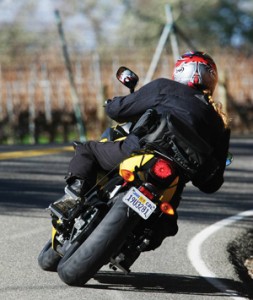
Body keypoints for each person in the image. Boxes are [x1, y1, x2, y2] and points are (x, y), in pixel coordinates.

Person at [53, 51, 230, 250]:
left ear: (180, 71)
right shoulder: (219, 123)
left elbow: (118, 111)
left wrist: (112, 104)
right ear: (211, 80)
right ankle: (135, 244)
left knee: (87, 150)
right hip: (172, 181)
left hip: (138, 152)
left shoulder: (165, 87)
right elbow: (212, 183)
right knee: (168, 222)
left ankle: (73, 197)